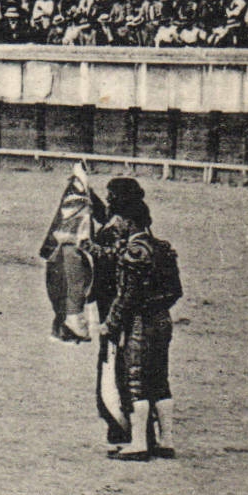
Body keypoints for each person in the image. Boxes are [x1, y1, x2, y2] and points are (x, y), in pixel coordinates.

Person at [97, 178, 180, 460]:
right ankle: (166, 441)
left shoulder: (133, 252)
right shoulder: (162, 247)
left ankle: (139, 444)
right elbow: (175, 291)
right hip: (163, 320)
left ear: (129, 221)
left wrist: (110, 324)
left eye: (118, 219)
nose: (114, 224)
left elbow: (126, 298)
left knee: (136, 381)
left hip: (140, 323)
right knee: (160, 379)